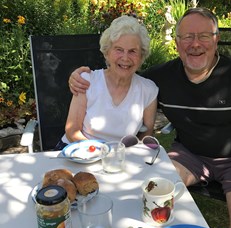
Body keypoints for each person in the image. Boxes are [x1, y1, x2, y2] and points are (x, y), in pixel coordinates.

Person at [68, 8, 231, 228]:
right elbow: (123, 71)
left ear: (216, 40)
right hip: (189, 154)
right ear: (177, 43)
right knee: (149, 191)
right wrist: (77, 76)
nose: (195, 44)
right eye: (187, 37)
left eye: (204, 36)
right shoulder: (161, 78)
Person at [57, 15, 158, 149]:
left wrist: (131, 155)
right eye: (119, 50)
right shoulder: (87, 81)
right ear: (107, 52)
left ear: (141, 56)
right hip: (78, 151)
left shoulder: (148, 90)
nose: (125, 58)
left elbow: (146, 133)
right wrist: (101, 153)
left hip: (119, 158)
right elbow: (72, 131)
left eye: (133, 51)